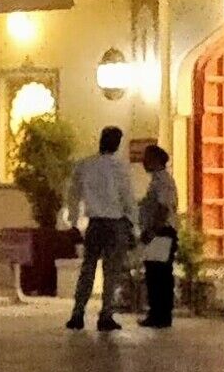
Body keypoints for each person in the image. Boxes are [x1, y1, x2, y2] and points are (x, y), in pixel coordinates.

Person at [68, 124, 140, 332]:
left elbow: (73, 195)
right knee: (111, 271)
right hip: (115, 223)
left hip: (95, 223)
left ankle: (78, 312)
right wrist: (133, 223)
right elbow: (127, 198)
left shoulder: (85, 165)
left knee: (88, 268)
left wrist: (74, 221)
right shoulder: (120, 168)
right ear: (117, 144)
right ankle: (105, 313)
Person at [133, 139, 181, 329]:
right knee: (156, 273)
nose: (143, 162)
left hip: (161, 232)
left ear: (155, 160)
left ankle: (159, 315)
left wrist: (152, 230)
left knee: (158, 274)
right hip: (158, 231)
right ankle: (158, 314)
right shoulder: (158, 180)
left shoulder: (162, 181)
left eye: (147, 158)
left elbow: (162, 207)